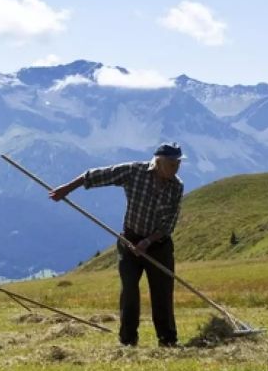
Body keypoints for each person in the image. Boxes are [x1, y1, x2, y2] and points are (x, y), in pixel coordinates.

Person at [49, 142, 185, 347]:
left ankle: (167, 340)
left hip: (159, 245)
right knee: (129, 291)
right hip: (130, 242)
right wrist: (66, 189)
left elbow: (169, 223)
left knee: (162, 294)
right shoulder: (134, 172)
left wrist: (148, 242)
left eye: (178, 163)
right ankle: (128, 340)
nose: (176, 168)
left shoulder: (176, 186)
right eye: (172, 163)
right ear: (158, 162)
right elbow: (95, 175)